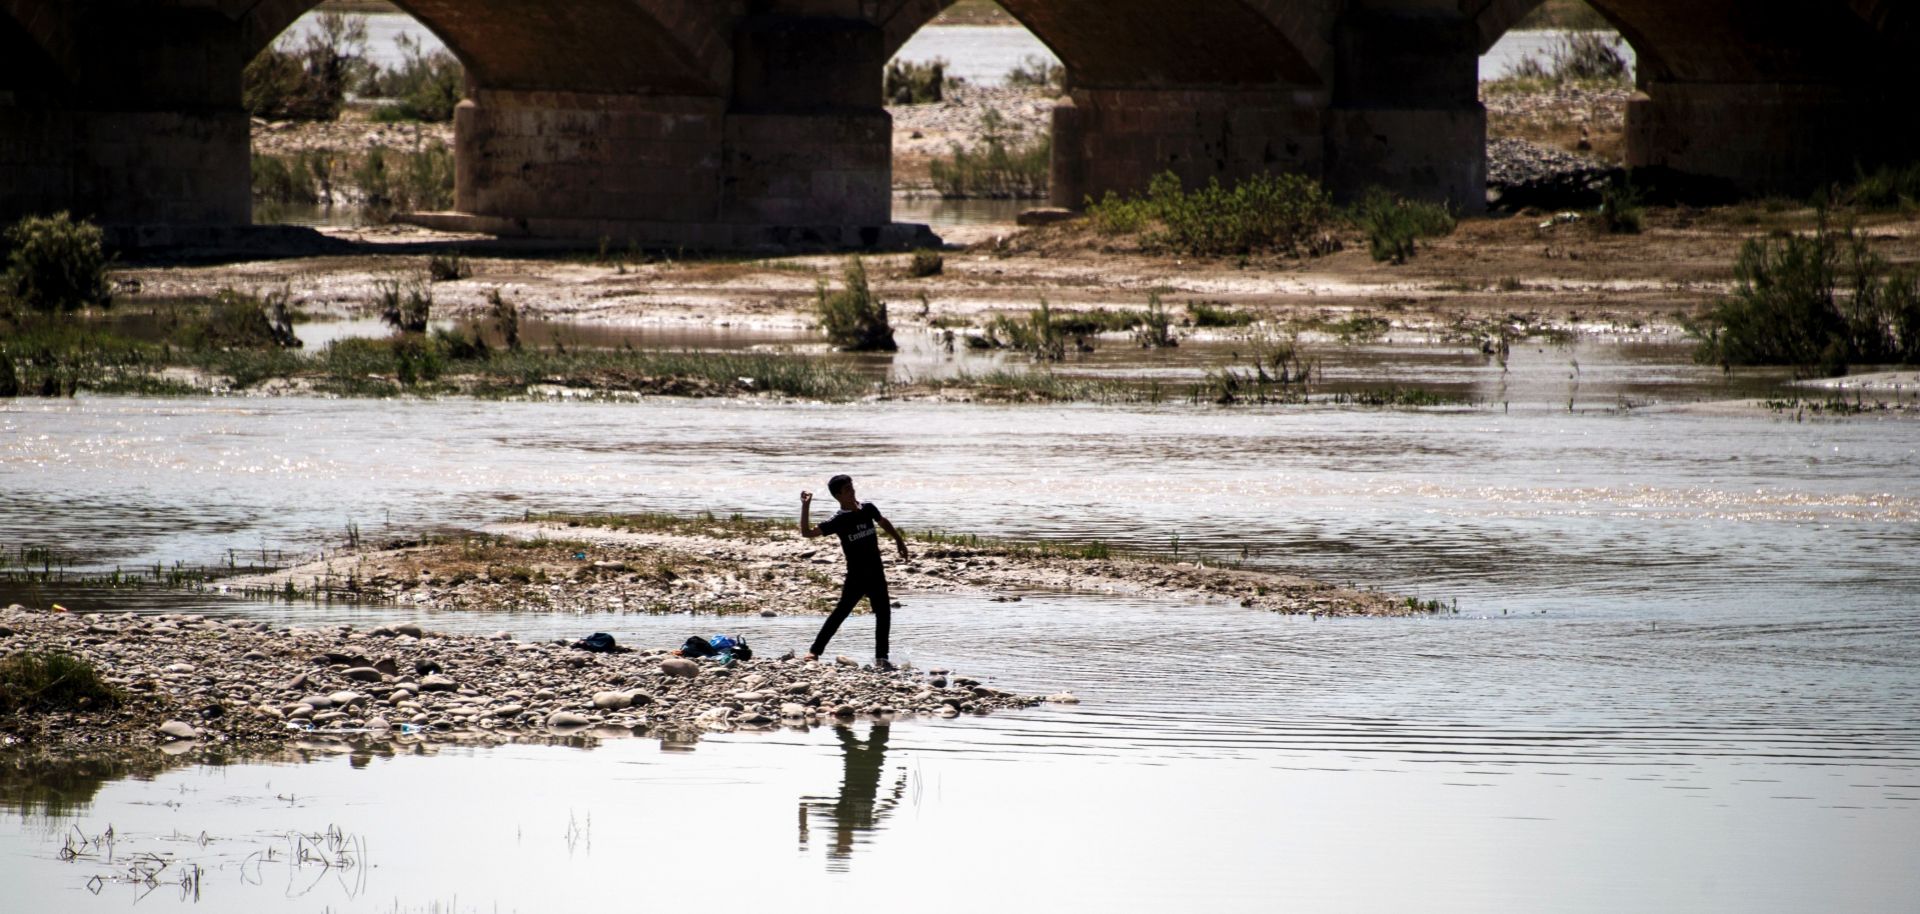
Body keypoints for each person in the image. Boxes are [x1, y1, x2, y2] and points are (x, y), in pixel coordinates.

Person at [800, 474, 909, 669]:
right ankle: (814, 651)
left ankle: (881, 658)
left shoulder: (868, 508)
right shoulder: (838, 520)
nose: (853, 491)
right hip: (857, 575)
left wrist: (898, 540)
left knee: (883, 614)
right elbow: (807, 533)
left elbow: (883, 522)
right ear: (838, 495)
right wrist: (806, 505)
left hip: (876, 571)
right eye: (848, 489)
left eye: (852, 487)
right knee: (841, 612)